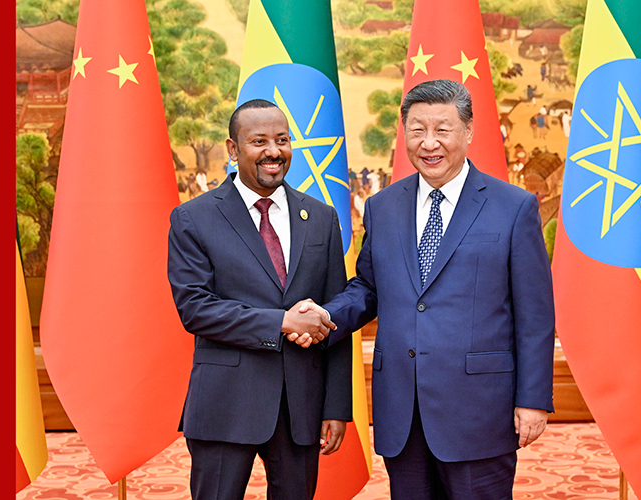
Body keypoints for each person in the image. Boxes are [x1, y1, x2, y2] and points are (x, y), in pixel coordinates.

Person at [303, 80, 555, 500]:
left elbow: (535, 315)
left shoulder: (513, 207)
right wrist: (325, 316)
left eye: (443, 129)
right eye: (417, 130)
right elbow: (369, 287)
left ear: (468, 131)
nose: (429, 142)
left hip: (479, 412)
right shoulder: (383, 206)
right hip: (402, 410)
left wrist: (533, 399)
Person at [167, 99, 351, 500]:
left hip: (301, 407)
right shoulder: (193, 218)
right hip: (225, 403)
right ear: (233, 149)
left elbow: (336, 314)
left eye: (282, 140)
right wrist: (281, 322)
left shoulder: (321, 217)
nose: (274, 151)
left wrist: (336, 406)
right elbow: (195, 308)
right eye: (259, 141)